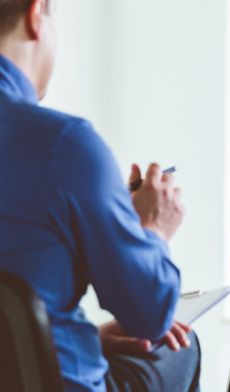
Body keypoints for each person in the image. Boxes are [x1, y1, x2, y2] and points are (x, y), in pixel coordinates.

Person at [0, 0, 200, 391]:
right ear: (36, 14)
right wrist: (152, 229)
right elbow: (148, 315)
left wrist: (86, 335)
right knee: (181, 345)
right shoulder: (64, 145)